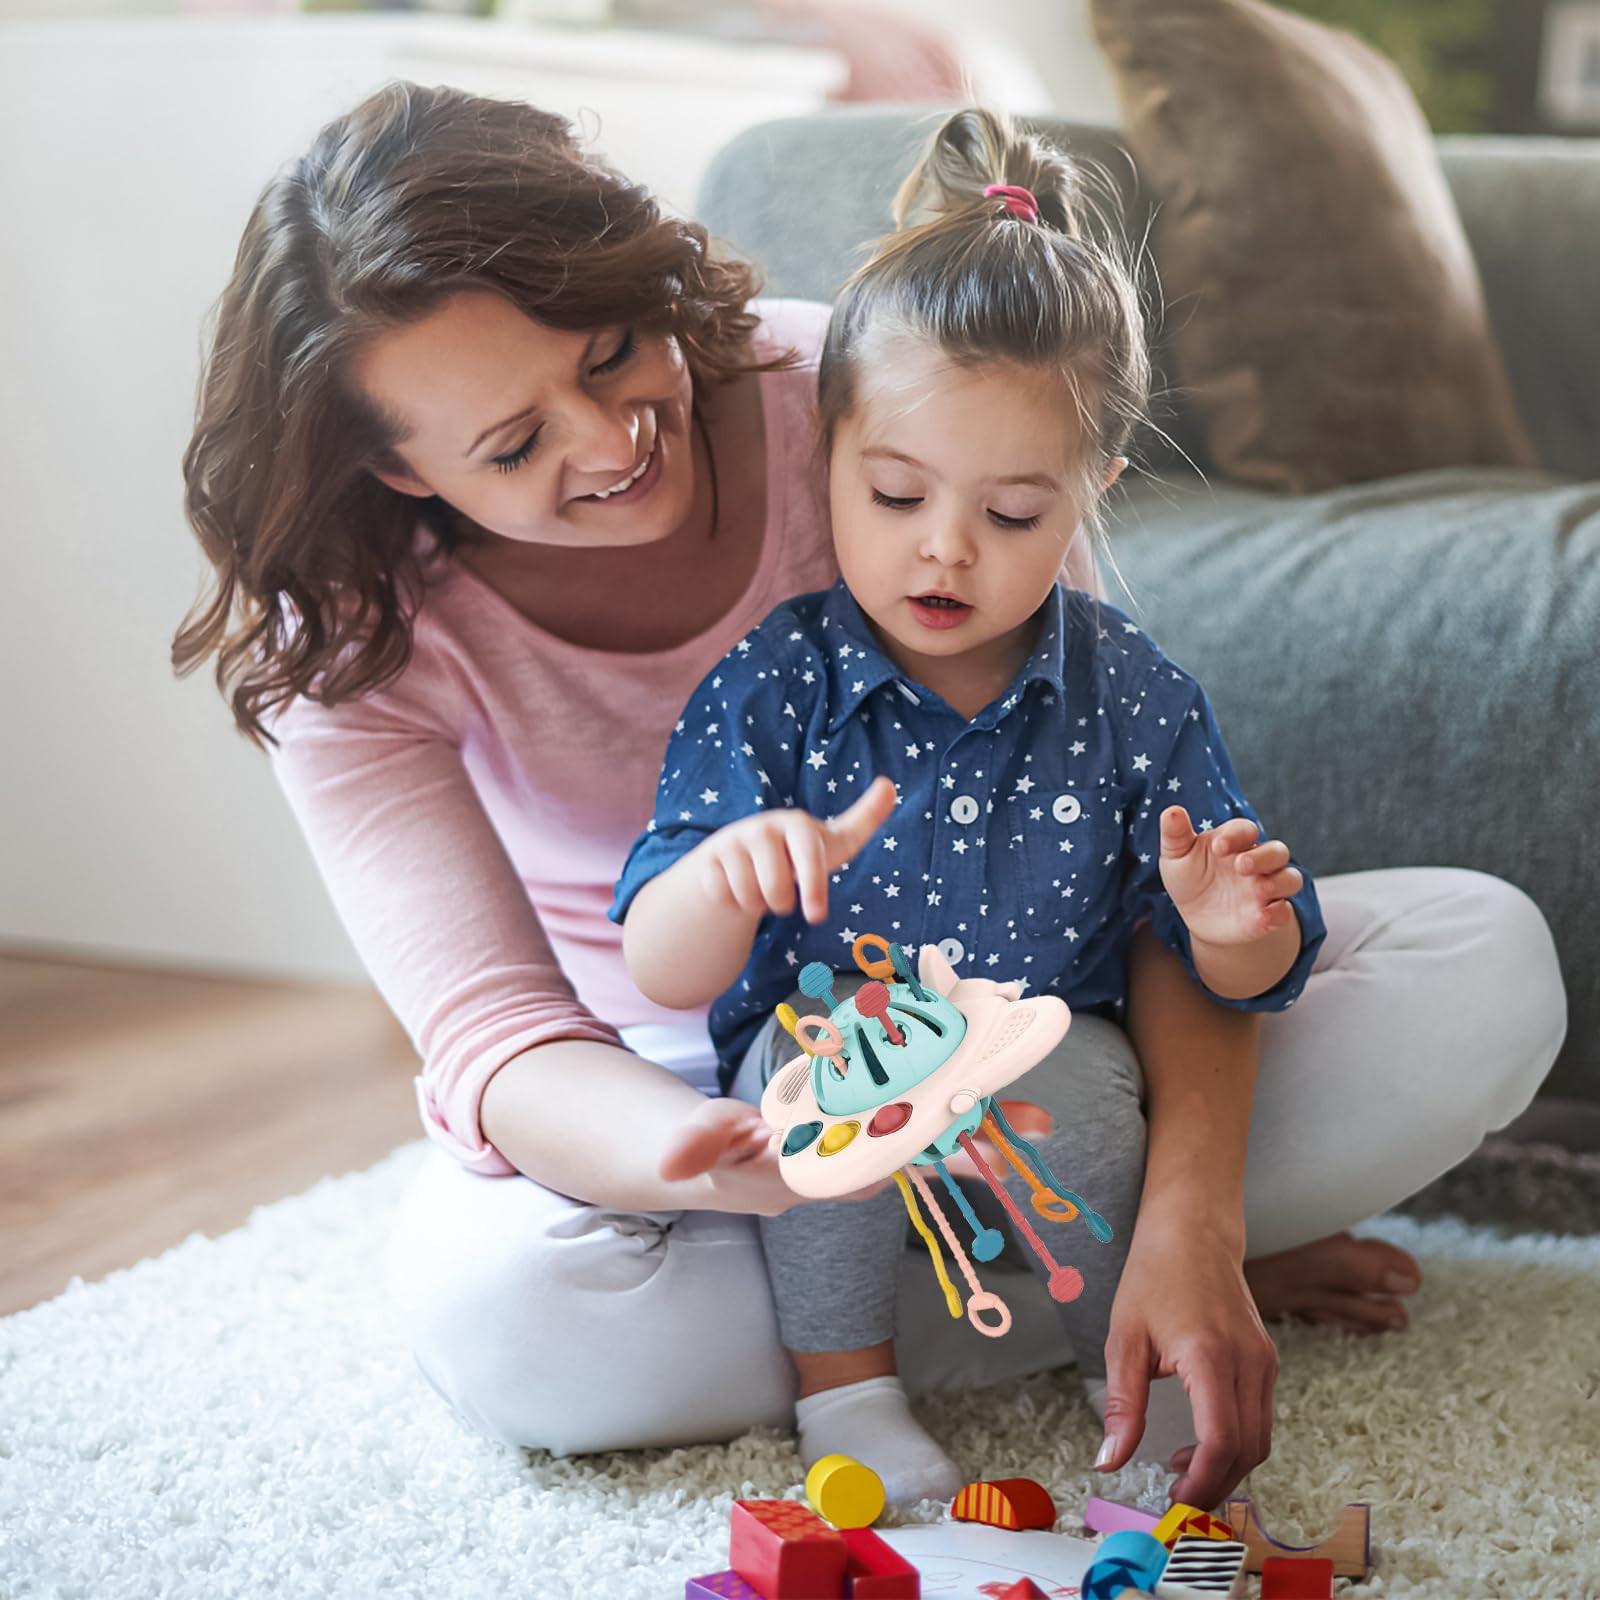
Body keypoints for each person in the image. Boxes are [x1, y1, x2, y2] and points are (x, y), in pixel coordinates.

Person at [174, 84, 1567, 1514]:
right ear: (395, 467)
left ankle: (1093, 1271)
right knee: (518, 1325)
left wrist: (1194, 1217)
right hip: (684, 1076)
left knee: (1484, 963)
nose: (609, 441)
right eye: (515, 447)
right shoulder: (343, 642)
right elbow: (501, 1041)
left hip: (1042, 1030)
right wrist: (703, 1160)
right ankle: (995, 1308)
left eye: (611, 352)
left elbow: (1128, 859)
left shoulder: (883, 399)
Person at [609, 107, 1333, 1505]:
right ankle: (849, 1392)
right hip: (833, 1075)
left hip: (1040, 1066)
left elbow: (1242, 979)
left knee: (1104, 1099)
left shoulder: (1132, 692)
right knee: (815, 1077)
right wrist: (729, 872)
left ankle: (1124, 1365)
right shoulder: (777, 681)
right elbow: (660, 961)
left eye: (1010, 517)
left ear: (1091, 492)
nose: (944, 549)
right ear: (826, 455)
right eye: (895, 495)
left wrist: (1231, 927)